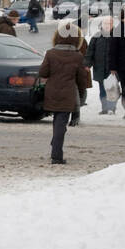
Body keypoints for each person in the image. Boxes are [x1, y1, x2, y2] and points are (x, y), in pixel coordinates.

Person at [39, 20, 87, 165]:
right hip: (68, 94)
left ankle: (55, 144)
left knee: (57, 121)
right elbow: (81, 80)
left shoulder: (50, 54)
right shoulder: (78, 57)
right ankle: (56, 155)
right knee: (61, 124)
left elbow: (43, 72)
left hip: (52, 92)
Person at [86, 16, 118, 115]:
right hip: (99, 68)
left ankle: (111, 108)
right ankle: (105, 108)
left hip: (113, 69)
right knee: (102, 89)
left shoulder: (117, 37)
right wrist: (87, 65)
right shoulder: (96, 37)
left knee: (112, 89)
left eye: (109, 24)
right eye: (106, 24)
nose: (107, 26)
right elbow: (89, 52)